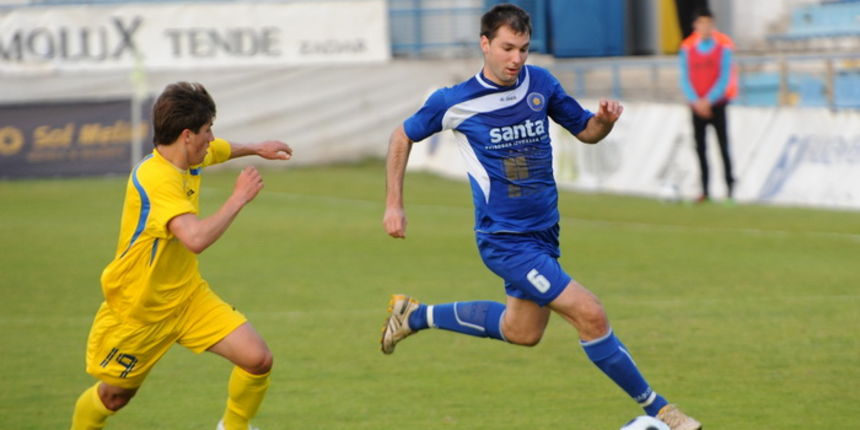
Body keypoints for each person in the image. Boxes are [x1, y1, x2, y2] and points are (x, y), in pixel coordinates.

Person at [379, 4, 702, 430]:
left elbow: (586, 132)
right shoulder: (454, 101)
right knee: (591, 313)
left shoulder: (541, 84)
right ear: (485, 44)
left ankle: (414, 315)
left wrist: (603, 122)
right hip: (505, 241)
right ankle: (660, 410)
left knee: (522, 331)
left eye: (524, 49)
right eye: (508, 48)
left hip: (545, 234)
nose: (516, 59)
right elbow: (403, 135)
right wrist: (394, 203)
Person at [70, 82, 292, 430]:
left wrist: (256, 148)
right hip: (139, 311)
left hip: (187, 298)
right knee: (115, 397)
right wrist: (238, 198)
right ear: (187, 135)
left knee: (257, 359)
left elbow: (218, 149)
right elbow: (195, 238)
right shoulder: (156, 179)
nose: (211, 137)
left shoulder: (190, 156)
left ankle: (233, 427)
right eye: (206, 131)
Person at [679, 7, 738, 203]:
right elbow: (685, 78)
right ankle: (704, 189)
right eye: (701, 23)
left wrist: (708, 100)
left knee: (723, 146)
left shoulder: (724, 45)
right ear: (695, 25)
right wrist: (696, 101)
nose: (705, 27)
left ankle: (730, 189)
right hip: (696, 106)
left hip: (717, 104)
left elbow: (724, 77)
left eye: (708, 23)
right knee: (700, 148)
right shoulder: (687, 47)